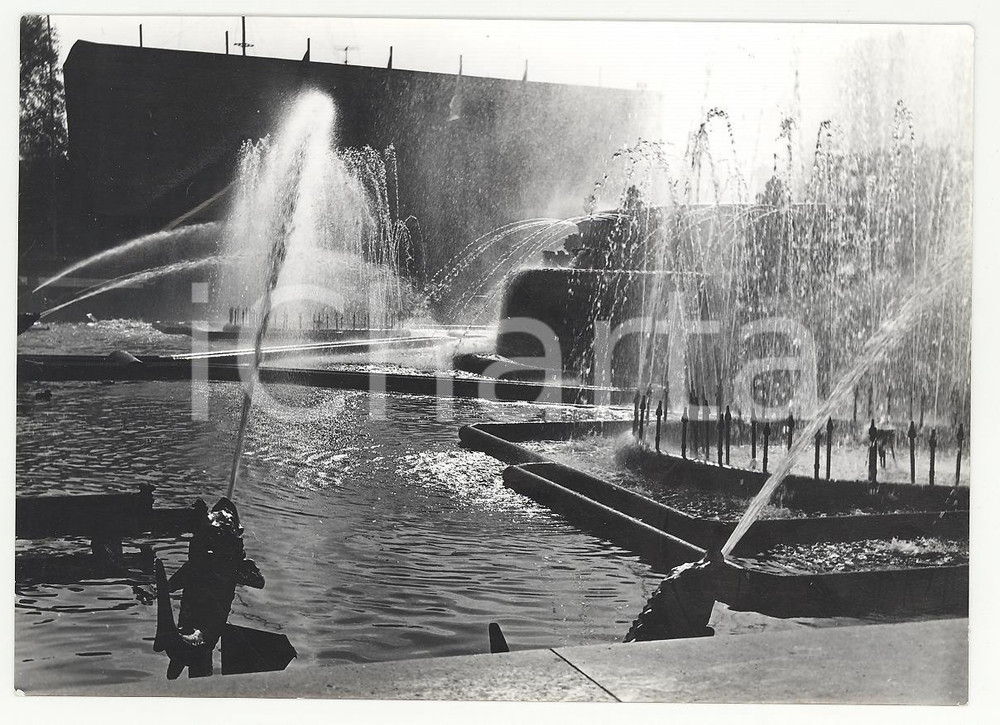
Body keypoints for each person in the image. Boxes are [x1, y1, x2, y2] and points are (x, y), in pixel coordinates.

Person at [154, 497, 264, 679]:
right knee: (190, 655)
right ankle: (179, 646)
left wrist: (232, 569)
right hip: (189, 624)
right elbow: (169, 587)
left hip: (207, 632)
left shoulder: (234, 566)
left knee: (201, 656)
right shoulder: (195, 564)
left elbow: (259, 581)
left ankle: (183, 648)